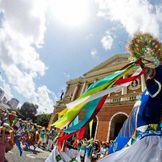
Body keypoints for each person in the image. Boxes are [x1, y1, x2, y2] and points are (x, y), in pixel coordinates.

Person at [98, 33, 162, 162]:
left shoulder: (156, 82)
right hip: (138, 140)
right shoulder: (145, 93)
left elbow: (156, 83)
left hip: (149, 143)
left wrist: (150, 68)